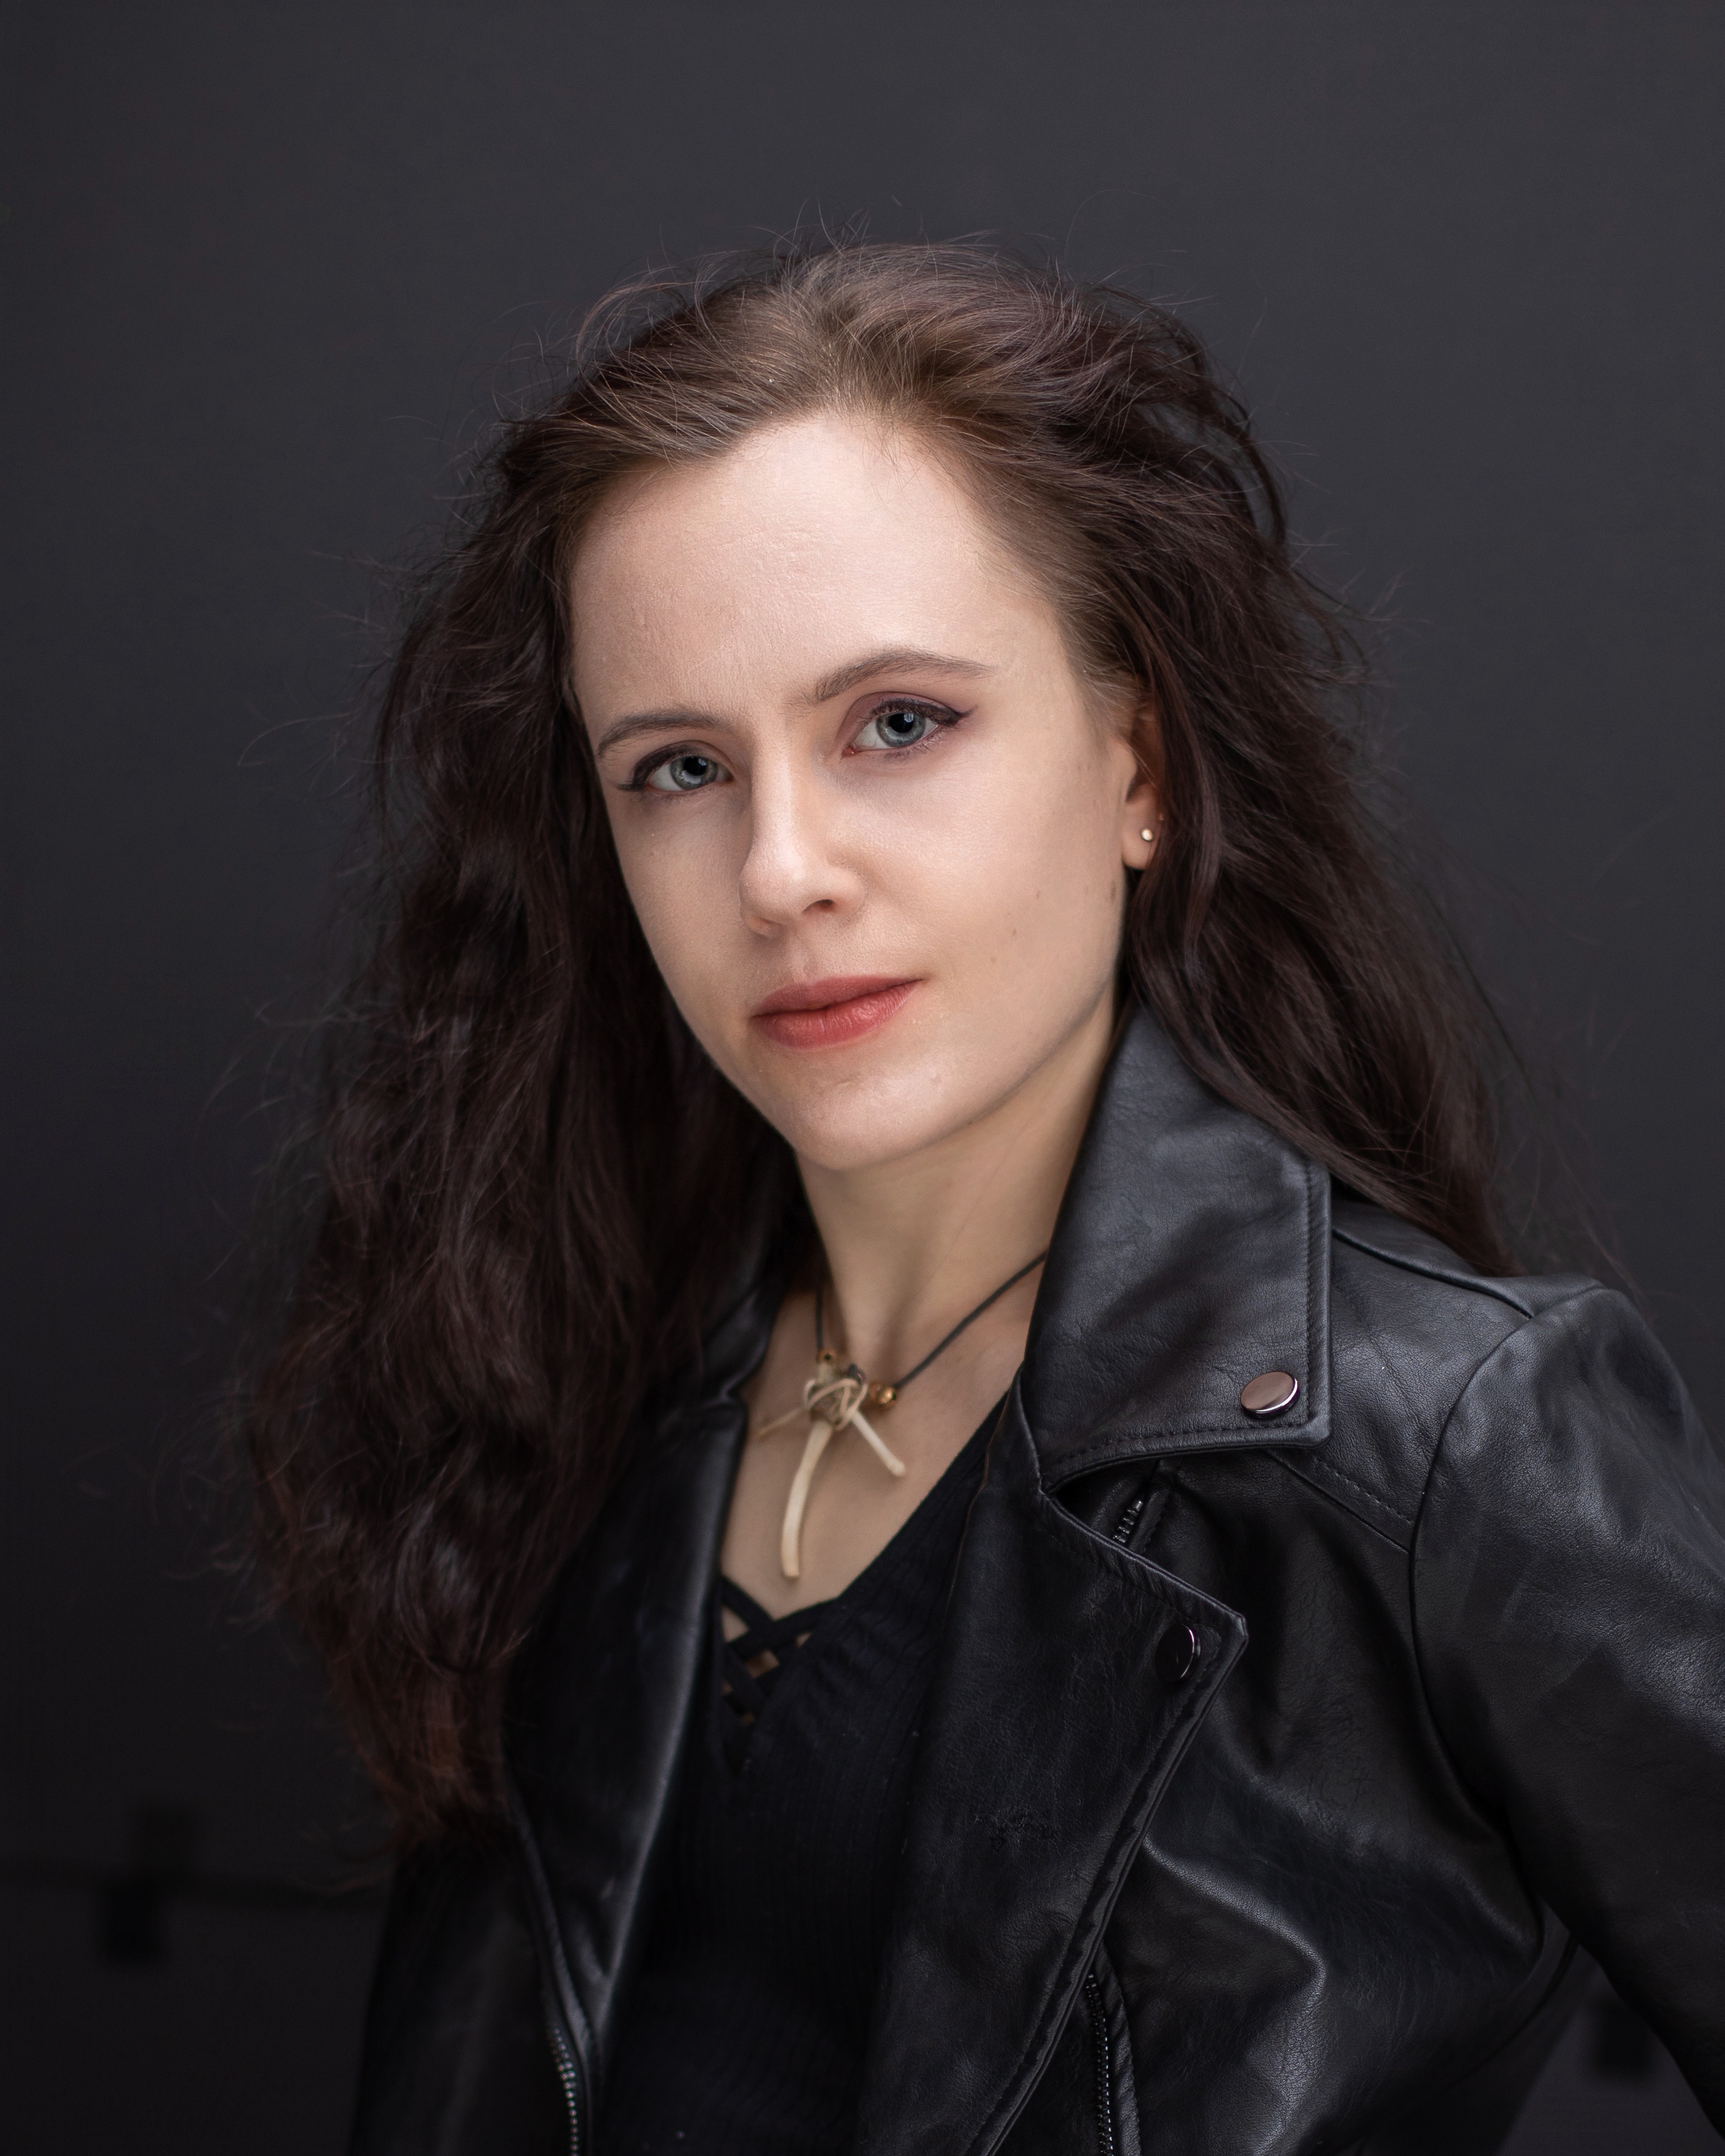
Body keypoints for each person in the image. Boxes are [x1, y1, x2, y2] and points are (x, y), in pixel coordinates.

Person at [241, 243, 1724, 2155]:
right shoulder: (570, 1390)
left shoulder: (1437, 1451)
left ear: (1139, 762)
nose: (779, 871)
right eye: (677, 767)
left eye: (896, 725)